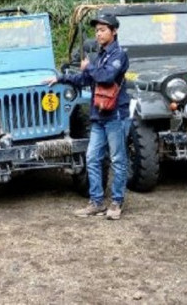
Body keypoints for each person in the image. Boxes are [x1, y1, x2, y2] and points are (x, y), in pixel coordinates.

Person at [44, 13, 131, 220]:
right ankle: (96, 202)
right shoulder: (100, 55)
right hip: (98, 115)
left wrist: (89, 67)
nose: (98, 34)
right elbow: (85, 79)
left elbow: (106, 77)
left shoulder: (119, 55)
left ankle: (117, 202)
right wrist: (60, 78)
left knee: (118, 159)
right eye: (97, 30)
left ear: (114, 31)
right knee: (92, 158)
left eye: (103, 30)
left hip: (115, 115)